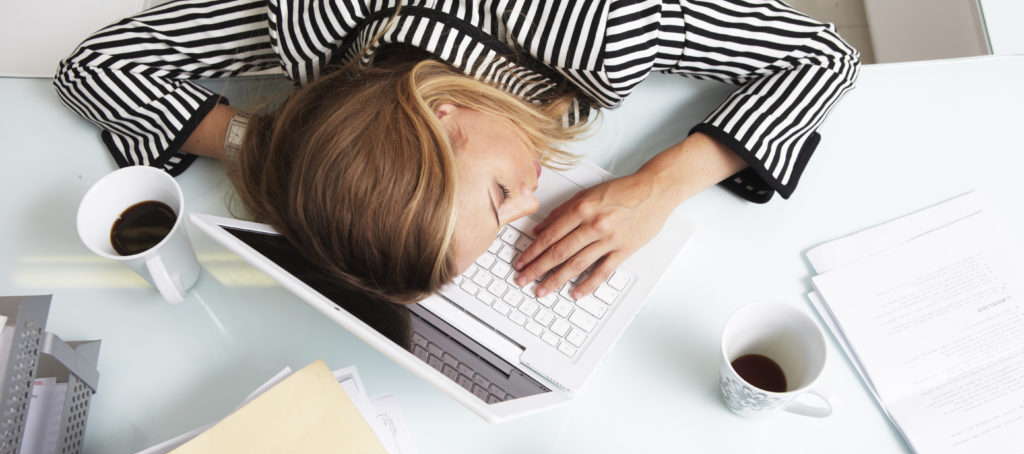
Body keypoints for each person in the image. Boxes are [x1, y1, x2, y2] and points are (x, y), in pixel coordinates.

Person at [54, 0, 859, 304]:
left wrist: (657, 186)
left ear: (445, 116)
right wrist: (276, 150)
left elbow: (823, 57)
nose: (532, 203)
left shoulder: (606, 27)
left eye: (502, 194)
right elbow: (97, 69)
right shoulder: (312, 30)